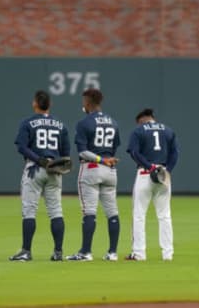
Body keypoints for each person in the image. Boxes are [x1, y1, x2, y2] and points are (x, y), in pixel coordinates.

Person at [9, 90, 70, 262]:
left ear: (35, 103)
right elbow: (66, 154)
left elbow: (21, 146)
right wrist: (55, 164)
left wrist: (38, 159)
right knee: (56, 211)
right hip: (54, 170)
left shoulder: (28, 122)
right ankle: (58, 252)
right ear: (49, 105)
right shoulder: (60, 125)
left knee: (29, 211)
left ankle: (26, 251)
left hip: (34, 168)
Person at [66, 88, 121, 261]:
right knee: (112, 211)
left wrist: (100, 159)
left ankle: (85, 252)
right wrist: (106, 160)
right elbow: (113, 148)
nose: (83, 104)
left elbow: (82, 152)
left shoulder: (84, 123)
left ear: (88, 102)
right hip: (110, 169)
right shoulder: (113, 122)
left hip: (91, 168)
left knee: (89, 211)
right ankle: (112, 253)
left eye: (84, 101)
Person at [125, 108, 179, 261]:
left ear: (142, 120)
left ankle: (139, 253)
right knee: (164, 215)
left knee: (139, 215)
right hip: (163, 175)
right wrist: (167, 170)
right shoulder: (168, 131)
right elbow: (175, 153)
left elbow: (135, 153)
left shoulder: (139, 131)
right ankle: (168, 254)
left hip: (145, 174)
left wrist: (150, 167)